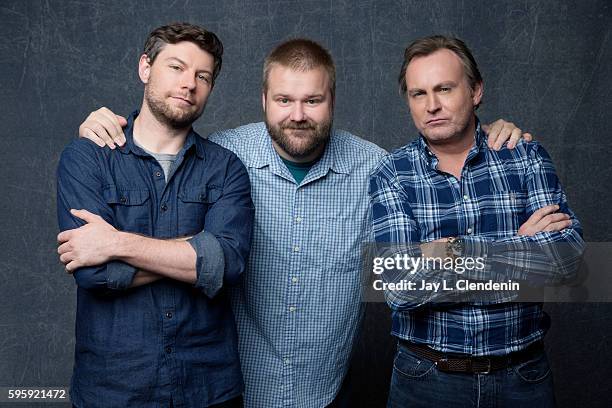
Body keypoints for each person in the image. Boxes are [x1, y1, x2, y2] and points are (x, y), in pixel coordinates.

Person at [75, 38, 530, 407]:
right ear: (263, 100)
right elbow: (162, 174)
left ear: (332, 100)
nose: (297, 114)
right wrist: (108, 128)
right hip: (229, 391)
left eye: (313, 100)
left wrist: (485, 136)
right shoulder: (223, 156)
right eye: (284, 99)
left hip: (328, 392)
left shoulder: (377, 168)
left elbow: (411, 269)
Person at [369, 35, 585, 407]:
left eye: (444, 89)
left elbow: (568, 260)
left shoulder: (526, 156)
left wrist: (441, 255)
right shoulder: (391, 173)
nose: (432, 105)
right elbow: (398, 287)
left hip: (523, 378)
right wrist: (520, 248)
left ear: (476, 91)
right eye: (418, 94)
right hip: (426, 380)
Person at [56, 23, 253, 408]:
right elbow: (94, 272)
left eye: (202, 76)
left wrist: (115, 243)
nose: (189, 84)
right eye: (176, 68)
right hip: (113, 389)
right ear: (145, 68)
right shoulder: (87, 157)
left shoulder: (226, 168)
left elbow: (227, 262)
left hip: (208, 388)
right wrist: (196, 255)